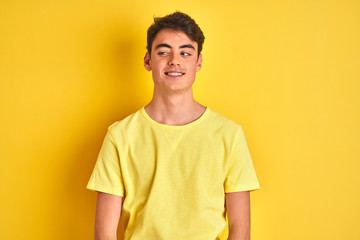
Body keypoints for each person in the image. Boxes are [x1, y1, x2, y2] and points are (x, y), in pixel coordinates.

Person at [87, 11, 260, 240]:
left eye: (185, 52)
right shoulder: (119, 136)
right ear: (148, 60)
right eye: (164, 51)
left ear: (198, 62)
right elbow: (105, 233)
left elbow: (240, 229)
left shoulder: (229, 134)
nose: (175, 60)